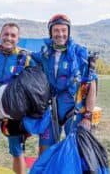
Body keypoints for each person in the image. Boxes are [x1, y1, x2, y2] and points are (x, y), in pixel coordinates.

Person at [31, 14, 97, 154]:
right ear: (51, 33)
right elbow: (25, 59)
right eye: (56, 30)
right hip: (51, 109)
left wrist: (88, 116)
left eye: (63, 30)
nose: (60, 34)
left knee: (76, 153)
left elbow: (91, 85)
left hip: (74, 111)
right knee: (45, 151)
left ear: (68, 32)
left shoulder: (80, 54)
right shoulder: (44, 54)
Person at [0, 22, 35, 174]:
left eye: (13, 35)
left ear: (18, 39)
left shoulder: (25, 58)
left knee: (17, 151)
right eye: (6, 34)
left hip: (13, 113)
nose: (9, 38)